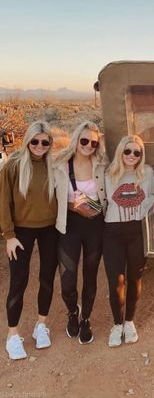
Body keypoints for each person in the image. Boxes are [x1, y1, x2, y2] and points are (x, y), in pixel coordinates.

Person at [0, 121, 58, 360]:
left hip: (50, 230)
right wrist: (9, 235)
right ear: (27, 141)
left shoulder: (54, 165)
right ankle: (12, 335)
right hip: (21, 232)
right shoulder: (13, 165)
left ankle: (40, 325)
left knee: (46, 278)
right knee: (18, 281)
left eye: (45, 142)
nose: (40, 146)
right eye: (35, 141)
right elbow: (3, 203)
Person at [103, 135, 154, 347]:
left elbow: (153, 199)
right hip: (112, 230)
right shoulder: (109, 173)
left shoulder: (147, 173)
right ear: (120, 151)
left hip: (137, 230)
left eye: (136, 152)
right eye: (127, 151)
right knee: (116, 281)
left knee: (134, 278)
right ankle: (117, 324)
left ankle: (129, 321)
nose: (132, 156)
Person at [54, 121, 108, 344]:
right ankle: (72, 312)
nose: (88, 146)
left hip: (95, 225)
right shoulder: (59, 164)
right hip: (69, 225)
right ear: (76, 140)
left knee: (90, 275)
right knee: (67, 277)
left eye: (93, 143)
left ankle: (85, 318)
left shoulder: (101, 165)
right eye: (84, 140)